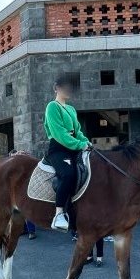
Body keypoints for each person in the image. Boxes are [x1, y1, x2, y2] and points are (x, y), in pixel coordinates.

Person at [44, 75, 91, 231]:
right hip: (58, 149)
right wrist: (80, 145)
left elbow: (77, 131)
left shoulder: (70, 109)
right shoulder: (52, 106)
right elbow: (59, 134)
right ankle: (59, 214)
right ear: (56, 88)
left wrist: (86, 142)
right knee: (69, 174)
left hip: (73, 147)